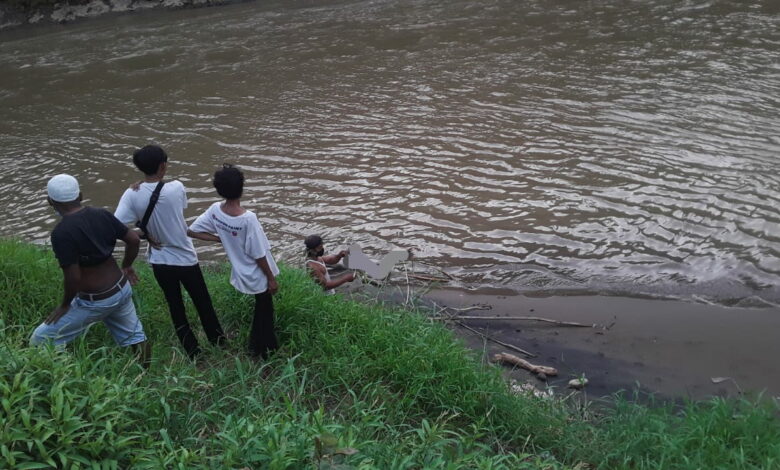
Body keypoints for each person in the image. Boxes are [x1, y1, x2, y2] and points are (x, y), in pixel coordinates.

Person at [115, 145, 226, 360]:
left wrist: (144, 233)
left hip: (159, 260)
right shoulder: (176, 187)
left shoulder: (131, 193)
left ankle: (193, 353)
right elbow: (174, 212)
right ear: (163, 166)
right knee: (203, 302)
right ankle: (218, 342)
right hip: (185, 259)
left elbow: (115, 226)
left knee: (175, 306)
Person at [31, 174, 151, 368]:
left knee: (41, 338)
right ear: (80, 195)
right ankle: (145, 375)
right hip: (121, 288)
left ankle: (63, 377)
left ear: (50, 201)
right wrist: (127, 266)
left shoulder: (62, 233)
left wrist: (65, 305)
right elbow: (134, 240)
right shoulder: (101, 214)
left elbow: (73, 276)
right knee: (135, 336)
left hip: (96, 300)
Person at [187, 164, 279, 360]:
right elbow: (259, 254)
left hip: (240, 271)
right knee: (264, 311)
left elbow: (192, 230)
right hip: (257, 273)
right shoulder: (248, 219)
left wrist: (219, 238)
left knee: (262, 309)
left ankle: (261, 347)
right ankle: (261, 350)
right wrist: (271, 278)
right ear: (242, 188)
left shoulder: (215, 211)